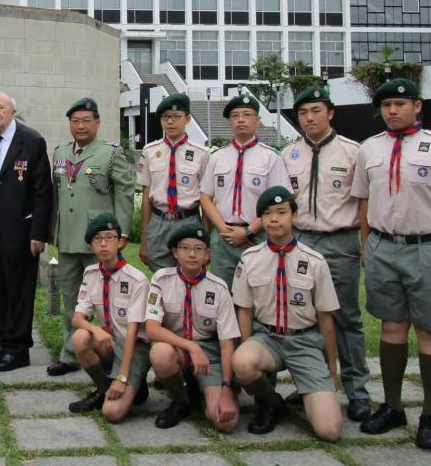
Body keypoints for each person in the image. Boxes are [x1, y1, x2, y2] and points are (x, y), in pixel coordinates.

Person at [352, 78, 431, 450]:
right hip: (383, 247)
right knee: (391, 326)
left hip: (428, 246)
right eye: (386, 105)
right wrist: (366, 246)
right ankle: (392, 406)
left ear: (417, 106)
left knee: (430, 330)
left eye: (400, 104)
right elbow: (363, 200)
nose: (392, 111)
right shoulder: (370, 149)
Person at [281, 85, 371, 421]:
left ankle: (356, 390)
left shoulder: (352, 152)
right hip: (301, 240)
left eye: (316, 111)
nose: (309, 118)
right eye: (303, 112)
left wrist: (364, 246)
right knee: (303, 318)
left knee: (345, 318)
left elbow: (364, 203)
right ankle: (313, 383)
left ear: (330, 113)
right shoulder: (289, 154)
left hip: (340, 241)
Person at [231, 186, 343, 441]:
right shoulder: (250, 259)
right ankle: (272, 402)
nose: (274, 219)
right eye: (267, 214)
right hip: (267, 338)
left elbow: (326, 318)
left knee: (329, 431)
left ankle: (310, 390)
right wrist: (245, 347)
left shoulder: (315, 262)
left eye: (281, 212)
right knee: (241, 363)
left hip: (304, 342)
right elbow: (245, 311)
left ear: (294, 215)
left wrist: (331, 367)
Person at [47, 98, 134, 377]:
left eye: (86, 121)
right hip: (69, 237)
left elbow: (124, 193)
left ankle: (114, 354)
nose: (81, 126)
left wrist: (122, 232)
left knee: (107, 300)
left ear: (97, 122)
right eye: (75, 121)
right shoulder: (60, 152)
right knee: (71, 297)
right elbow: (56, 195)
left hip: (101, 241)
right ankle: (71, 353)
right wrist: (52, 230)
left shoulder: (110, 154)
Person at [0, 92, 53, 372]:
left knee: (19, 288)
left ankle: (19, 349)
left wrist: (39, 233)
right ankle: (4, 340)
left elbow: (43, 191)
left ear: (13, 112)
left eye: (0, 107)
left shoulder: (31, 141)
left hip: (21, 227)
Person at [144, 222, 240, 433]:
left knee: (226, 423)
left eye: (198, 249)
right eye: (185, 248)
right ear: (175, 253)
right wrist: (191, 347)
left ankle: (204, 390)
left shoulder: (219, 288)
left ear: (207, 255)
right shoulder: (161, 280)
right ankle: (182, 400)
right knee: (160, 353)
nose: (192, 254)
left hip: (209, 355)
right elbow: (152, 329)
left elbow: (226, 344)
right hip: (178, 349)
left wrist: (226, 389)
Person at [67, 213, 150, 422]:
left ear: (120, 242)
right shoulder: (90, 274)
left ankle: (131, 382)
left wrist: (122, 377)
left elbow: (133, 332)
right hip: (111, 342)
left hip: (135, 347)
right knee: (80, 338)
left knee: (112, 413)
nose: (103, 244)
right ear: (91, 247)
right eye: (97, 239)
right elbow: (77, 319)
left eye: (109, 237)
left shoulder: (136, 280)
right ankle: (103, 389)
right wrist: (95, 329)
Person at [199, 94, 288, 288]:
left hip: (258, 236)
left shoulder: (271, 157)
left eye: (247, 114)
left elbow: (278, 203)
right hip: (223, 238)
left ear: (258, 120)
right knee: (223, 293)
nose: (241, 119)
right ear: (230, 121)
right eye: (235, 115)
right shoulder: (217, 157)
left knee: (259, 292)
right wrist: (222, 228)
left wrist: (248, 231)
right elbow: (205, 196)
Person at [137, 93, 211, 270]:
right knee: (160, 277)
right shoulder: (150, 151)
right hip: (159, 221)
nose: (170, 122)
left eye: (176, 117)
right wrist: (144, 239)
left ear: (188, 119)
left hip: (189, 220)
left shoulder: (201, 153)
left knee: (191, 273)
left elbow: (207, 197)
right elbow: (147, 196)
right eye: (165, 117)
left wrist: (207, 239)